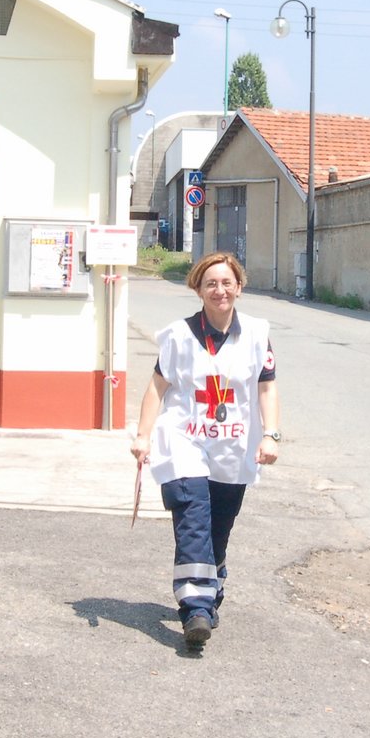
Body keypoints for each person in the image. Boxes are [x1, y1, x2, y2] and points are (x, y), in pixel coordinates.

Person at [131, 252, 280, 649]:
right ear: (198, 289)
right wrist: (144, 436)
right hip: (184, 440)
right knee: (193, 515)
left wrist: (272, 435)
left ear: (239, 288)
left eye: (227, 283)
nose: (220, 290)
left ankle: (210, 587)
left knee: (218, 526)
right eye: (210, 283)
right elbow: (157, 388)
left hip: (233, 445)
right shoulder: (179, 336)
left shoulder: (256, 334)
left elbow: (267, 387)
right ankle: (195, 608)